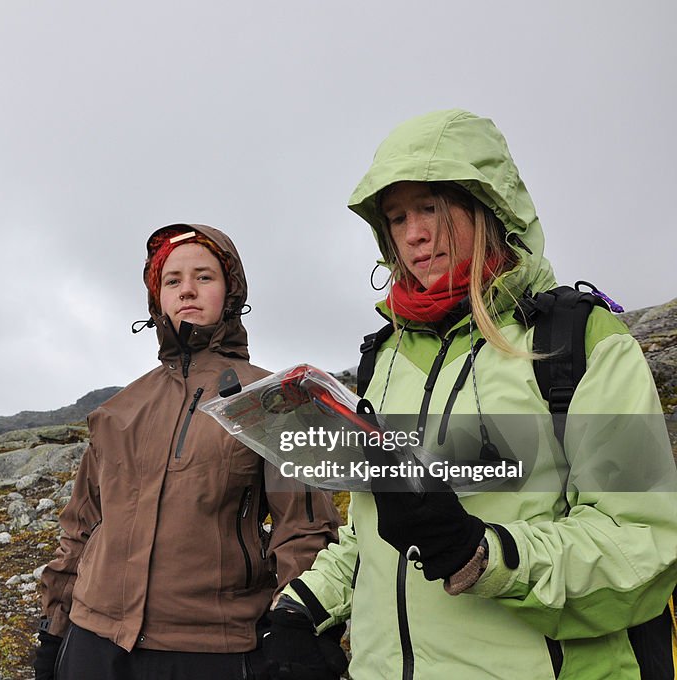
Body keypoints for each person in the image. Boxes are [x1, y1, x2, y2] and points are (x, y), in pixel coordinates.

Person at [267, 109, 677, 679]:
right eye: (397, 217)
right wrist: (302, 608)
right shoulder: (384, 358)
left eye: (431, 207)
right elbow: (369, 527)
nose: (414, 234)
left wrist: (483, 555)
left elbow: (644, 545)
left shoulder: (577, 343)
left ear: (487, 205)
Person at [35, 224, 343, 680]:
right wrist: (53, 629)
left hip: (211, 647)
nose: (187, 291)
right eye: (172, 281)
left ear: (231, 291)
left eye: (204, 277)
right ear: (156, 297)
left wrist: (299, 628)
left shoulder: (271, 401)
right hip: (93, 640)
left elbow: (303, 532)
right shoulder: (118, 411)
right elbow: (80, 528)